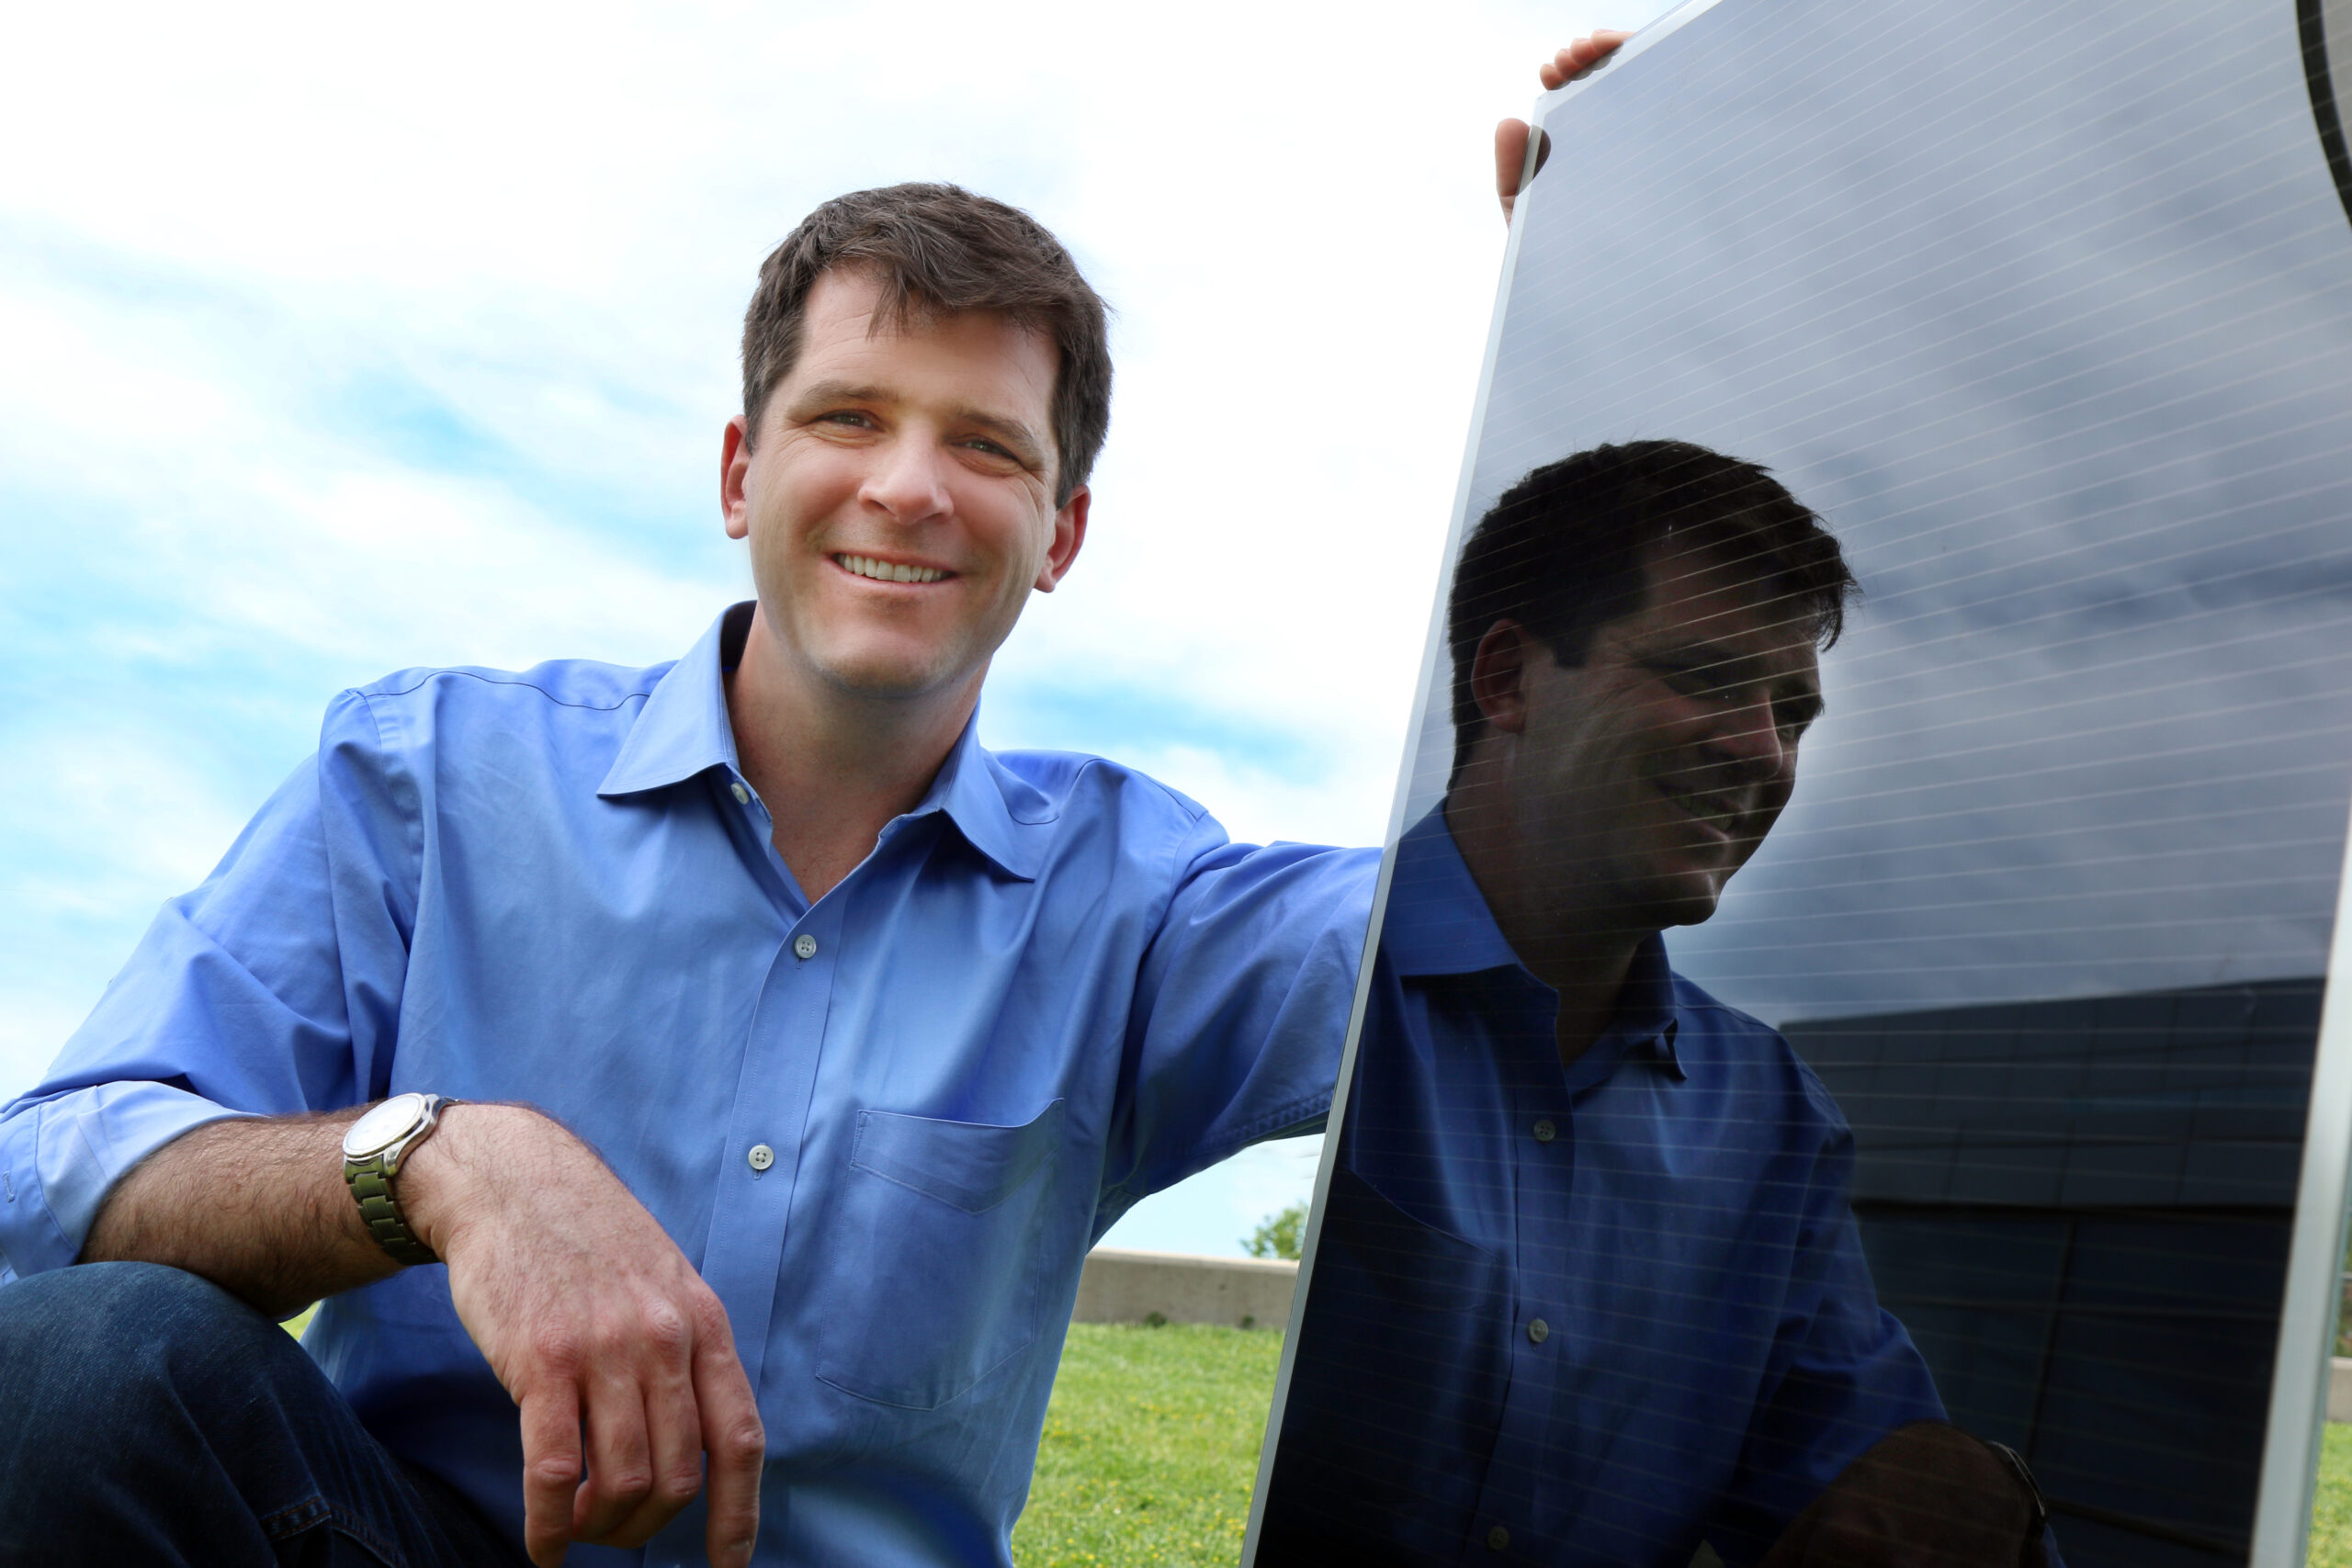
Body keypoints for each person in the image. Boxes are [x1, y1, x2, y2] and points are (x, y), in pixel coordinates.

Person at [1252, 442, 2052, 1568]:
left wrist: (1980, 1489)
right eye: (1711, 679)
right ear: (1506, 681)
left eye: (1792, 714)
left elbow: (1864, 1477)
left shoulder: (1773, 1121)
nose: (1763, 754)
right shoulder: (1292, 971)